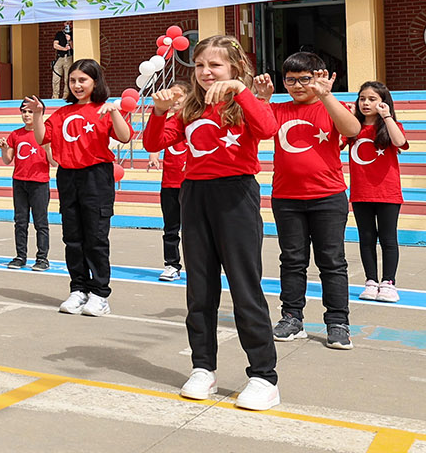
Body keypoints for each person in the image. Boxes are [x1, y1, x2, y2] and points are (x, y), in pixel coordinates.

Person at [142, 34, 280, 411]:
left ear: (235, 68)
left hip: (236, 195)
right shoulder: (189, 107)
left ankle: (263, 376)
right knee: (199, 289)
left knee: (244, 285)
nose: (205, 72)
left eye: (215, 65)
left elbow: (268, 130)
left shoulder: (243, 103)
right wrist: (158, 111)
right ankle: (203, 367)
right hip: (194, 195)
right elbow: (154, 143)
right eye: (200, 65)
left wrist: (242, 91)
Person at [250, 53, 360, 350]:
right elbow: (260, 131)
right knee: (292, 260)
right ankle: (292, 317)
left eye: (304, 79)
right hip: (287, 198)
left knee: (332, 262)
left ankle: (338, 323)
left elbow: (352, 130)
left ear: (318, 78)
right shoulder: (278, 109)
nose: (297, 85)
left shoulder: (331, 107)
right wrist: (261, 99)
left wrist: (326, 97)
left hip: (328, 196)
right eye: (290, 80)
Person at [27, 57, 131, 317]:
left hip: (96, 176)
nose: (76, 85)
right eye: (72, 80)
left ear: (95, 81)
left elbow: (125, 136)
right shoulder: (62, 113)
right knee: (72, 237)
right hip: (68, 176)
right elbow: (42, 138)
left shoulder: (103, 109)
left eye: (82, 80)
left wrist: (115, 111)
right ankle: (79, 288)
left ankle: (100, 293)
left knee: (95, 237)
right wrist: (39, 114)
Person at [348, 82, 409, 304]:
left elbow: (400, 142)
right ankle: (371, 281)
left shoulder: (390, 125)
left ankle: (388, 283)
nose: (366, 103)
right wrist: (346, 118)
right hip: (361, 193)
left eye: (372, 99)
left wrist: (387, 117)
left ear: (383, 102)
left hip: (387, 193)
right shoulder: (353, 128)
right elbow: (335, 145)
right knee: (366, 238)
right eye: (362, 98)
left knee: (388, 238)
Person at [1, 98, 52, 271]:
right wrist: (3, 148)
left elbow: (54, 162)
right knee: (20, 221)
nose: (27, 115)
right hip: (20, 182)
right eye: (24, 111)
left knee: (41, 222)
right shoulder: (16, 134)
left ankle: (42, 258)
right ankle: (20, 256)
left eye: (30, 111)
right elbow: (8, 159)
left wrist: (47, 149)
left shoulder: (46, 134)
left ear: (39, 112)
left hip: (39, 183)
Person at [146, 134, 188, 281]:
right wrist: (153, 157)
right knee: (170, 228)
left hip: (191, 184)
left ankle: (199, 267)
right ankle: (172, 265)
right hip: (169, 184)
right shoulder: (169, 123)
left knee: (195, 231)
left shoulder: (194, 120)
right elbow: (157, 141)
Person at [51, 22, 74, 101]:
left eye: (70, 23)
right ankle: (55, 97)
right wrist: (64, 49)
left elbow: (74, 47)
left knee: (67, 78)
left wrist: (70, 39)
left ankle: (65, 96)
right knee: (56, 77)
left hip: (69, 57)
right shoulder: (59, 33)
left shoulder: (73, 33)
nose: (69, 25)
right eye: (67, 23)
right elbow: (55, 45)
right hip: (60, 57)